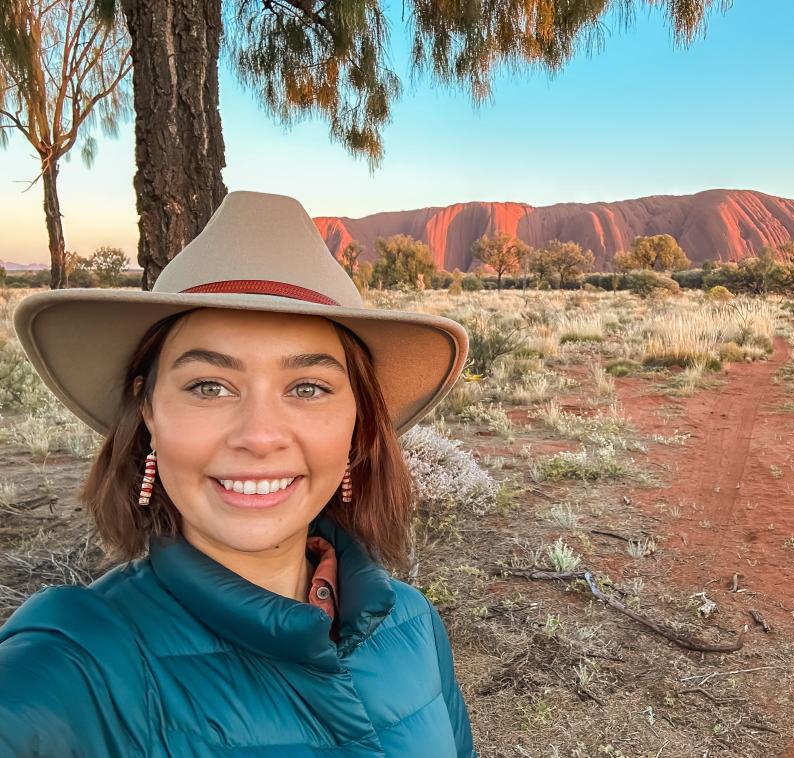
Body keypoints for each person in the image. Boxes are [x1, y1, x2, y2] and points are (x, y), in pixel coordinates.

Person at [0, 191, 477, 756]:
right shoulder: (80, 661)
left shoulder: (412, 625)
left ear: (358, 422)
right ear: (148, 409)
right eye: (209, 386)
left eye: (308, 388)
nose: (259, 435)